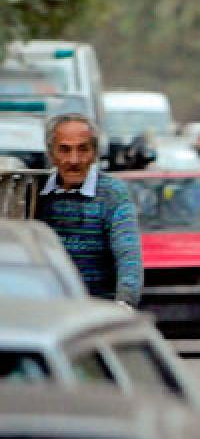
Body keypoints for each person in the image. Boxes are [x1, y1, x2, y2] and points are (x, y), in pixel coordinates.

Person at [35, 113, 143, 306]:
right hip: (48, 311)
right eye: (64, 150)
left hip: (97, 312)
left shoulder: (113, 193)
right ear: (51, 154)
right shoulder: (35, 192)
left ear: (94, 154)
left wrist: (125, 304)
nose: (74, 160)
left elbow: (128, 257)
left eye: (83, 149)